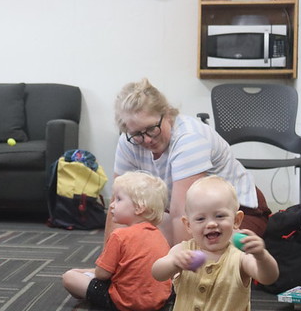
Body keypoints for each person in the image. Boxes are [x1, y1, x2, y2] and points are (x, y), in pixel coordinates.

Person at [62, 176, 279, 311]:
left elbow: (268, 276)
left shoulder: (240, 256)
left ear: (237, 220)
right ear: (188, 225)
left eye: (220, 216)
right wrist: (174, 262)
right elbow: (157, 273)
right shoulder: (181, 250)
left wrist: (262, 255)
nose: (211, 224)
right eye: (201, 219)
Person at [107, 78, 272, 247]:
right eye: (137, 134)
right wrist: (107, 268)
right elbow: (118, 205)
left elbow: (181, 215)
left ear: (167, 114)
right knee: (137, 239)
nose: (147, 139)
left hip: (235, 211)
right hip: (191, 216)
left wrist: (180, 268)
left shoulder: (189, 138)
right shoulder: (129, 141)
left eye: (151, 129)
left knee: (217, 259)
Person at [62, 171, 172, 311]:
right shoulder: (159, 235)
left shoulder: (119, 235)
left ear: (139, 207)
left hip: (126, 301)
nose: (112, 205)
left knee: (69, 277)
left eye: (118, 199)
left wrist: (83, 271)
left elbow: (102, 274)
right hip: (158, 301)